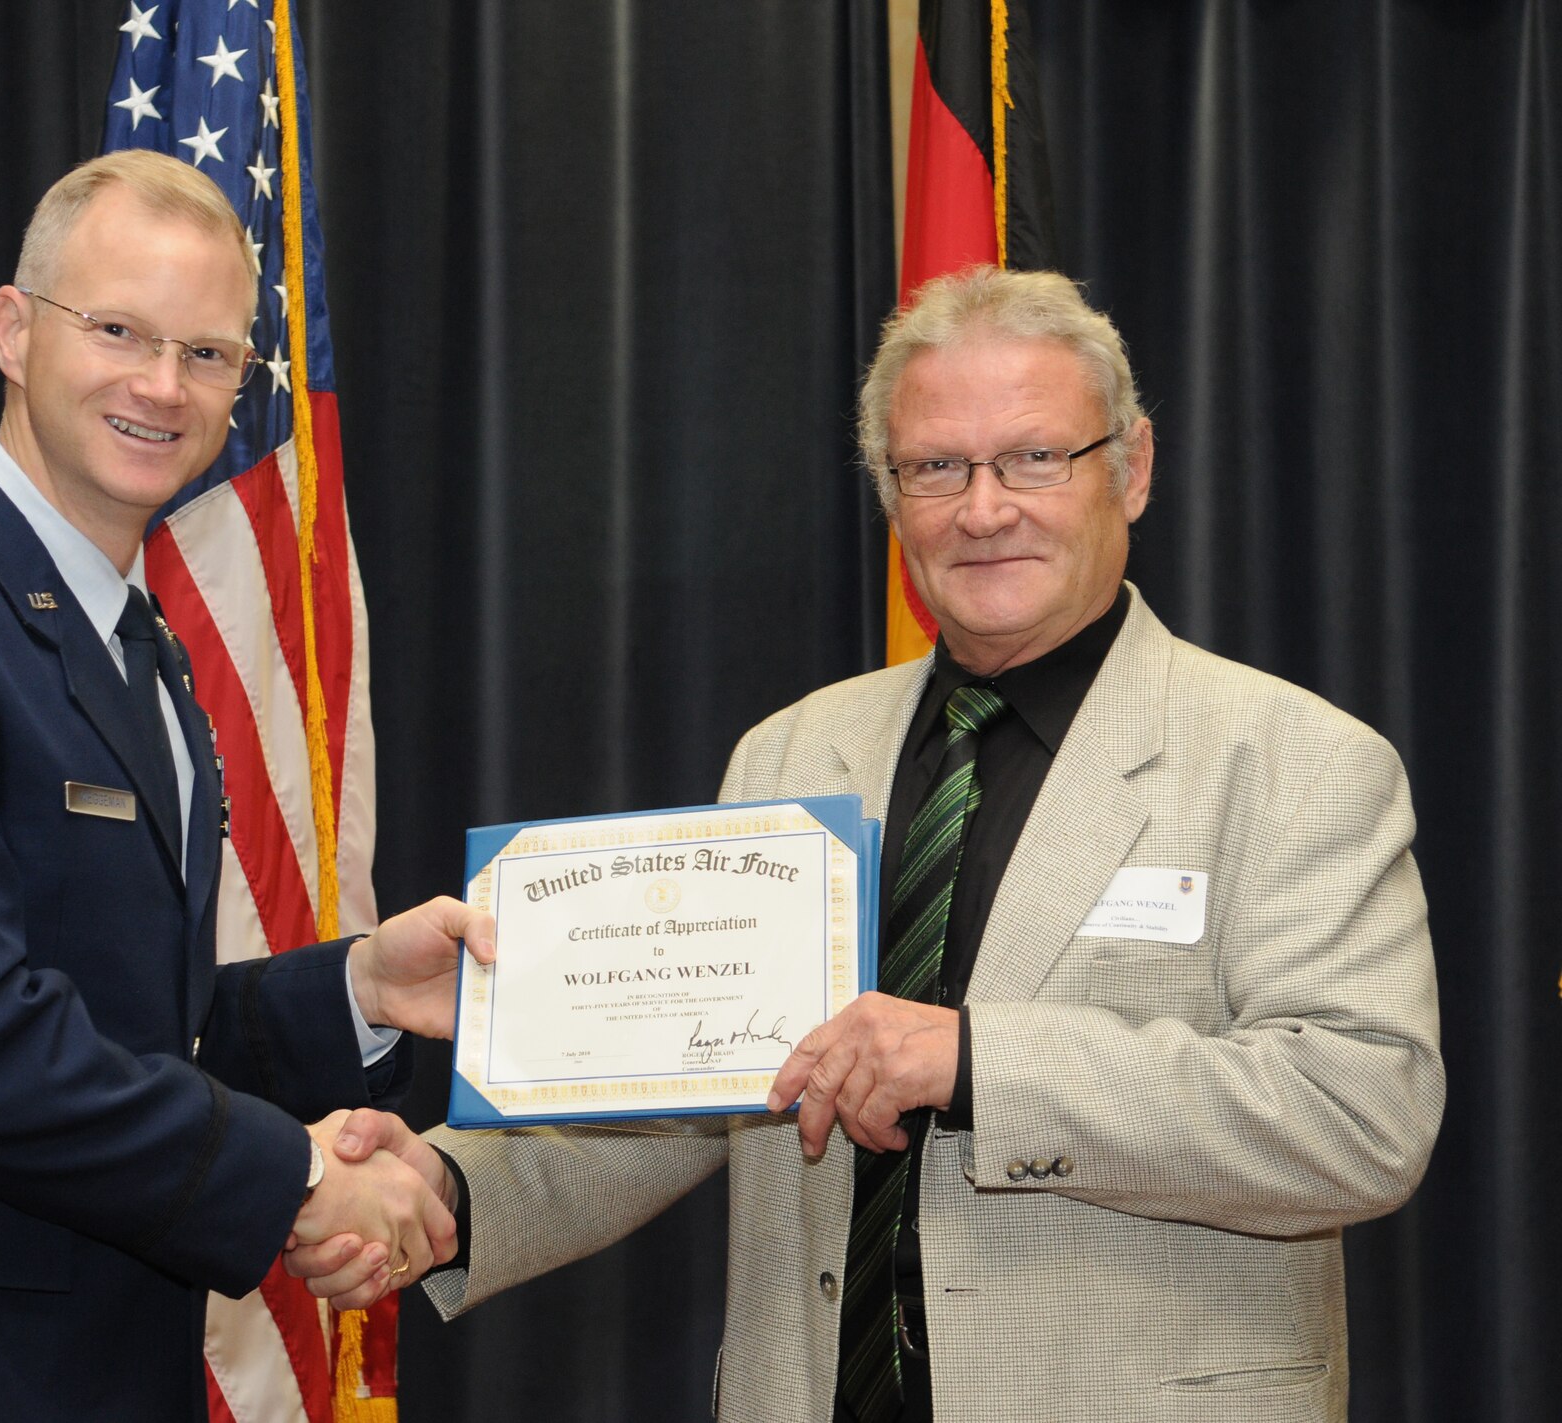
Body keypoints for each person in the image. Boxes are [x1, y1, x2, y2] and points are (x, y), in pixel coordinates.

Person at [296, 267, 1444, 1421]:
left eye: (1033, 457)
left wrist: (975, 1064)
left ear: (1130, 468)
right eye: (934, 467)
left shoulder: (1293, 761)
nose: (982, 508)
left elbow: (1358, 1116)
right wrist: (440, 1185)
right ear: (890, 492)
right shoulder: (791, 754)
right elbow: (687, 1089)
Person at [0, 150, 490, 1422]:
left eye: (208, 354)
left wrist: (354, 989)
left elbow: (135, 1025)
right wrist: (296, 1180)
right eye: (119, 330)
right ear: (14, 332)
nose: (160, 386)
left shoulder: (133, 642)